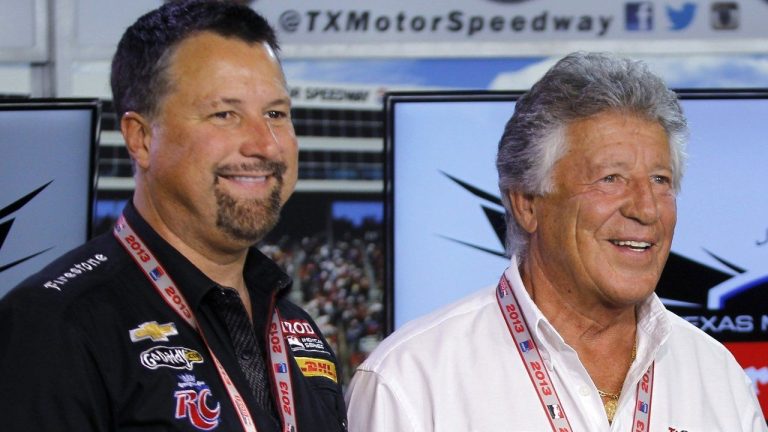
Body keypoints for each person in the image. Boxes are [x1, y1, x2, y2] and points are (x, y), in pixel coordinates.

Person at [345, 52, 768, 431]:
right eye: (611, 179)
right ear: (528, 203)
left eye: (661, 180)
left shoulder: (719, 377)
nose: (647, 209)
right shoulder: (411, 381)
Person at [0, 1, 347, 431]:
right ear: (141, 138)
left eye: (276, 113)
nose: (266, 144)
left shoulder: (296, 328)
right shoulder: (56, 327)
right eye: (225, 114)